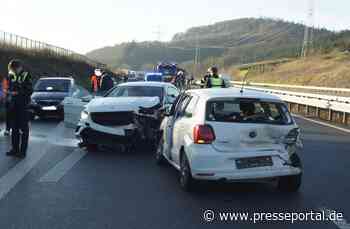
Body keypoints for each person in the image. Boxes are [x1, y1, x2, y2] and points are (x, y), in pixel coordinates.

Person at [6, 59, 33, 158]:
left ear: (19, 67)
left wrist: (17, 93)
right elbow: (9, 86)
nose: (13, 71)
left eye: (14, 69)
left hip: (23, 106)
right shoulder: (11, 74)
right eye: (12, 69)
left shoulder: (26, 75)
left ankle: (22, 152)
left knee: (24, 130)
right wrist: (8, 93)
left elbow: (29, 90)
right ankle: (14, 149)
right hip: (13, 106)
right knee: (14, 129)